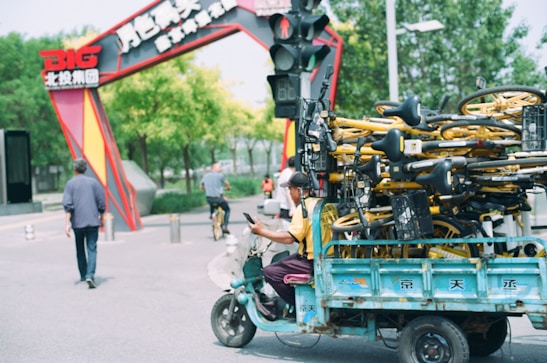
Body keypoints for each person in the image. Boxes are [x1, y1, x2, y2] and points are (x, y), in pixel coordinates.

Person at [247, 171, 334, 312]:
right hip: (326, 256)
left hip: (312, 261)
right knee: (281, 262)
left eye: (290, 189)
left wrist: (261, 232)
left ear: (298, 190)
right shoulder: (323, 204)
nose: (290, 194)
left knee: (270, 272)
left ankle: (300, 306)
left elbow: (290, 238)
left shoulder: (304, 208)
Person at [62, 158, 106, 289]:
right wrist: (102, 218)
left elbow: (68, 206)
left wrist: (67, 224)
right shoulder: (94, 183)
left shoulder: (70, 184)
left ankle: (83, 275)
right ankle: (90, 275)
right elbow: (101, 202)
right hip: (93, 221)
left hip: (78, 222)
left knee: (80, 248)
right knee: (92, 248)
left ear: (75, 169)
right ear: (85, 169)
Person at [200, 162, 231, 234]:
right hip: (218, 198)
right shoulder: (220, 175)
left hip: (209, 198)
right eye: (219, 167)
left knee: (212, 203)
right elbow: (227, 183)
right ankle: (225, 226)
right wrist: (228, 188)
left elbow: (201, 187)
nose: (221, 168)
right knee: (227, 210)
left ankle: (211, 215)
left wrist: (207, 189)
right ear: (214, 168)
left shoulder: (206, 176)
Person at [275, 156, 296, 221]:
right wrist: (292, 207)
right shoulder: (289, 175)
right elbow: (288, 191)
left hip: (282, 206)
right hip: (286, 207)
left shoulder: (284, 172)